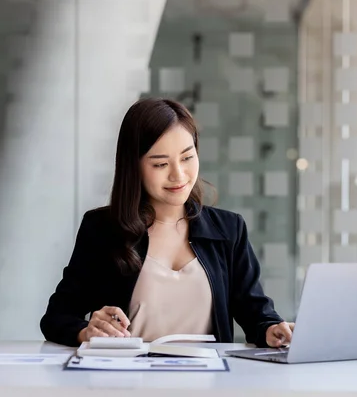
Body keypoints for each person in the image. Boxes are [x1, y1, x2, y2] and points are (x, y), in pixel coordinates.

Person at [40, 97, 294, 348]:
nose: (179, 175)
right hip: (128, 383)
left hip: (208, 385)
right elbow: (57, 317)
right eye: (161, 164)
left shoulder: (228, 229)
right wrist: (87, 331)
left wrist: (273, 329)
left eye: (187, 157)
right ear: (134, 167)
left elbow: (257, 314)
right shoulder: (103, 229)